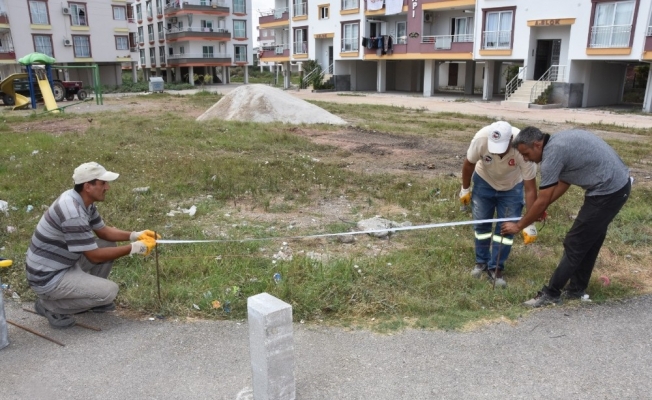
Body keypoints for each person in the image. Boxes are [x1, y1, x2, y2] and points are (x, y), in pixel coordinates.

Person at [501, 127, 631, 307]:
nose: (525, 159)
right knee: (590, 239)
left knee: (575, 242)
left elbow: (542, 199)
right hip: (615, 185)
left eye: (526, 154)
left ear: (537, 145)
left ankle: (551, 293)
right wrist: (541, 208)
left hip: (609, 191)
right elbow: (564, 181)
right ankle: (576, 290)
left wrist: (519, 225)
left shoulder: (552, 155)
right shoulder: (557, 143)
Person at [25, 162, 158, 328]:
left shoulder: (82, 201)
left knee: (108, 243)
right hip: (48, 277)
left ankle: (92, 298)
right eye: (103, 183)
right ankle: (49, 306)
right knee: (109, 292)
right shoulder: (73, 213)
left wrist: (135, 235)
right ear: (88, 186)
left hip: (61, 263)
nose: (107, 187)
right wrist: (135, 248)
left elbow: (103, 232)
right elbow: (94, 256)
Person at [460, 121, 538, 287]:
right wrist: (465, 189)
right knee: (481, 225)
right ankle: (481, 262)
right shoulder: (481, 139)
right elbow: (469, 164)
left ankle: (496, 267)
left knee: (506, 228)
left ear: (511, 139)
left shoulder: (523, 147)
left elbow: (530, 188)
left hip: (512, 187)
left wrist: (529, 222)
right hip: (484, 181)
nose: (497, 152)